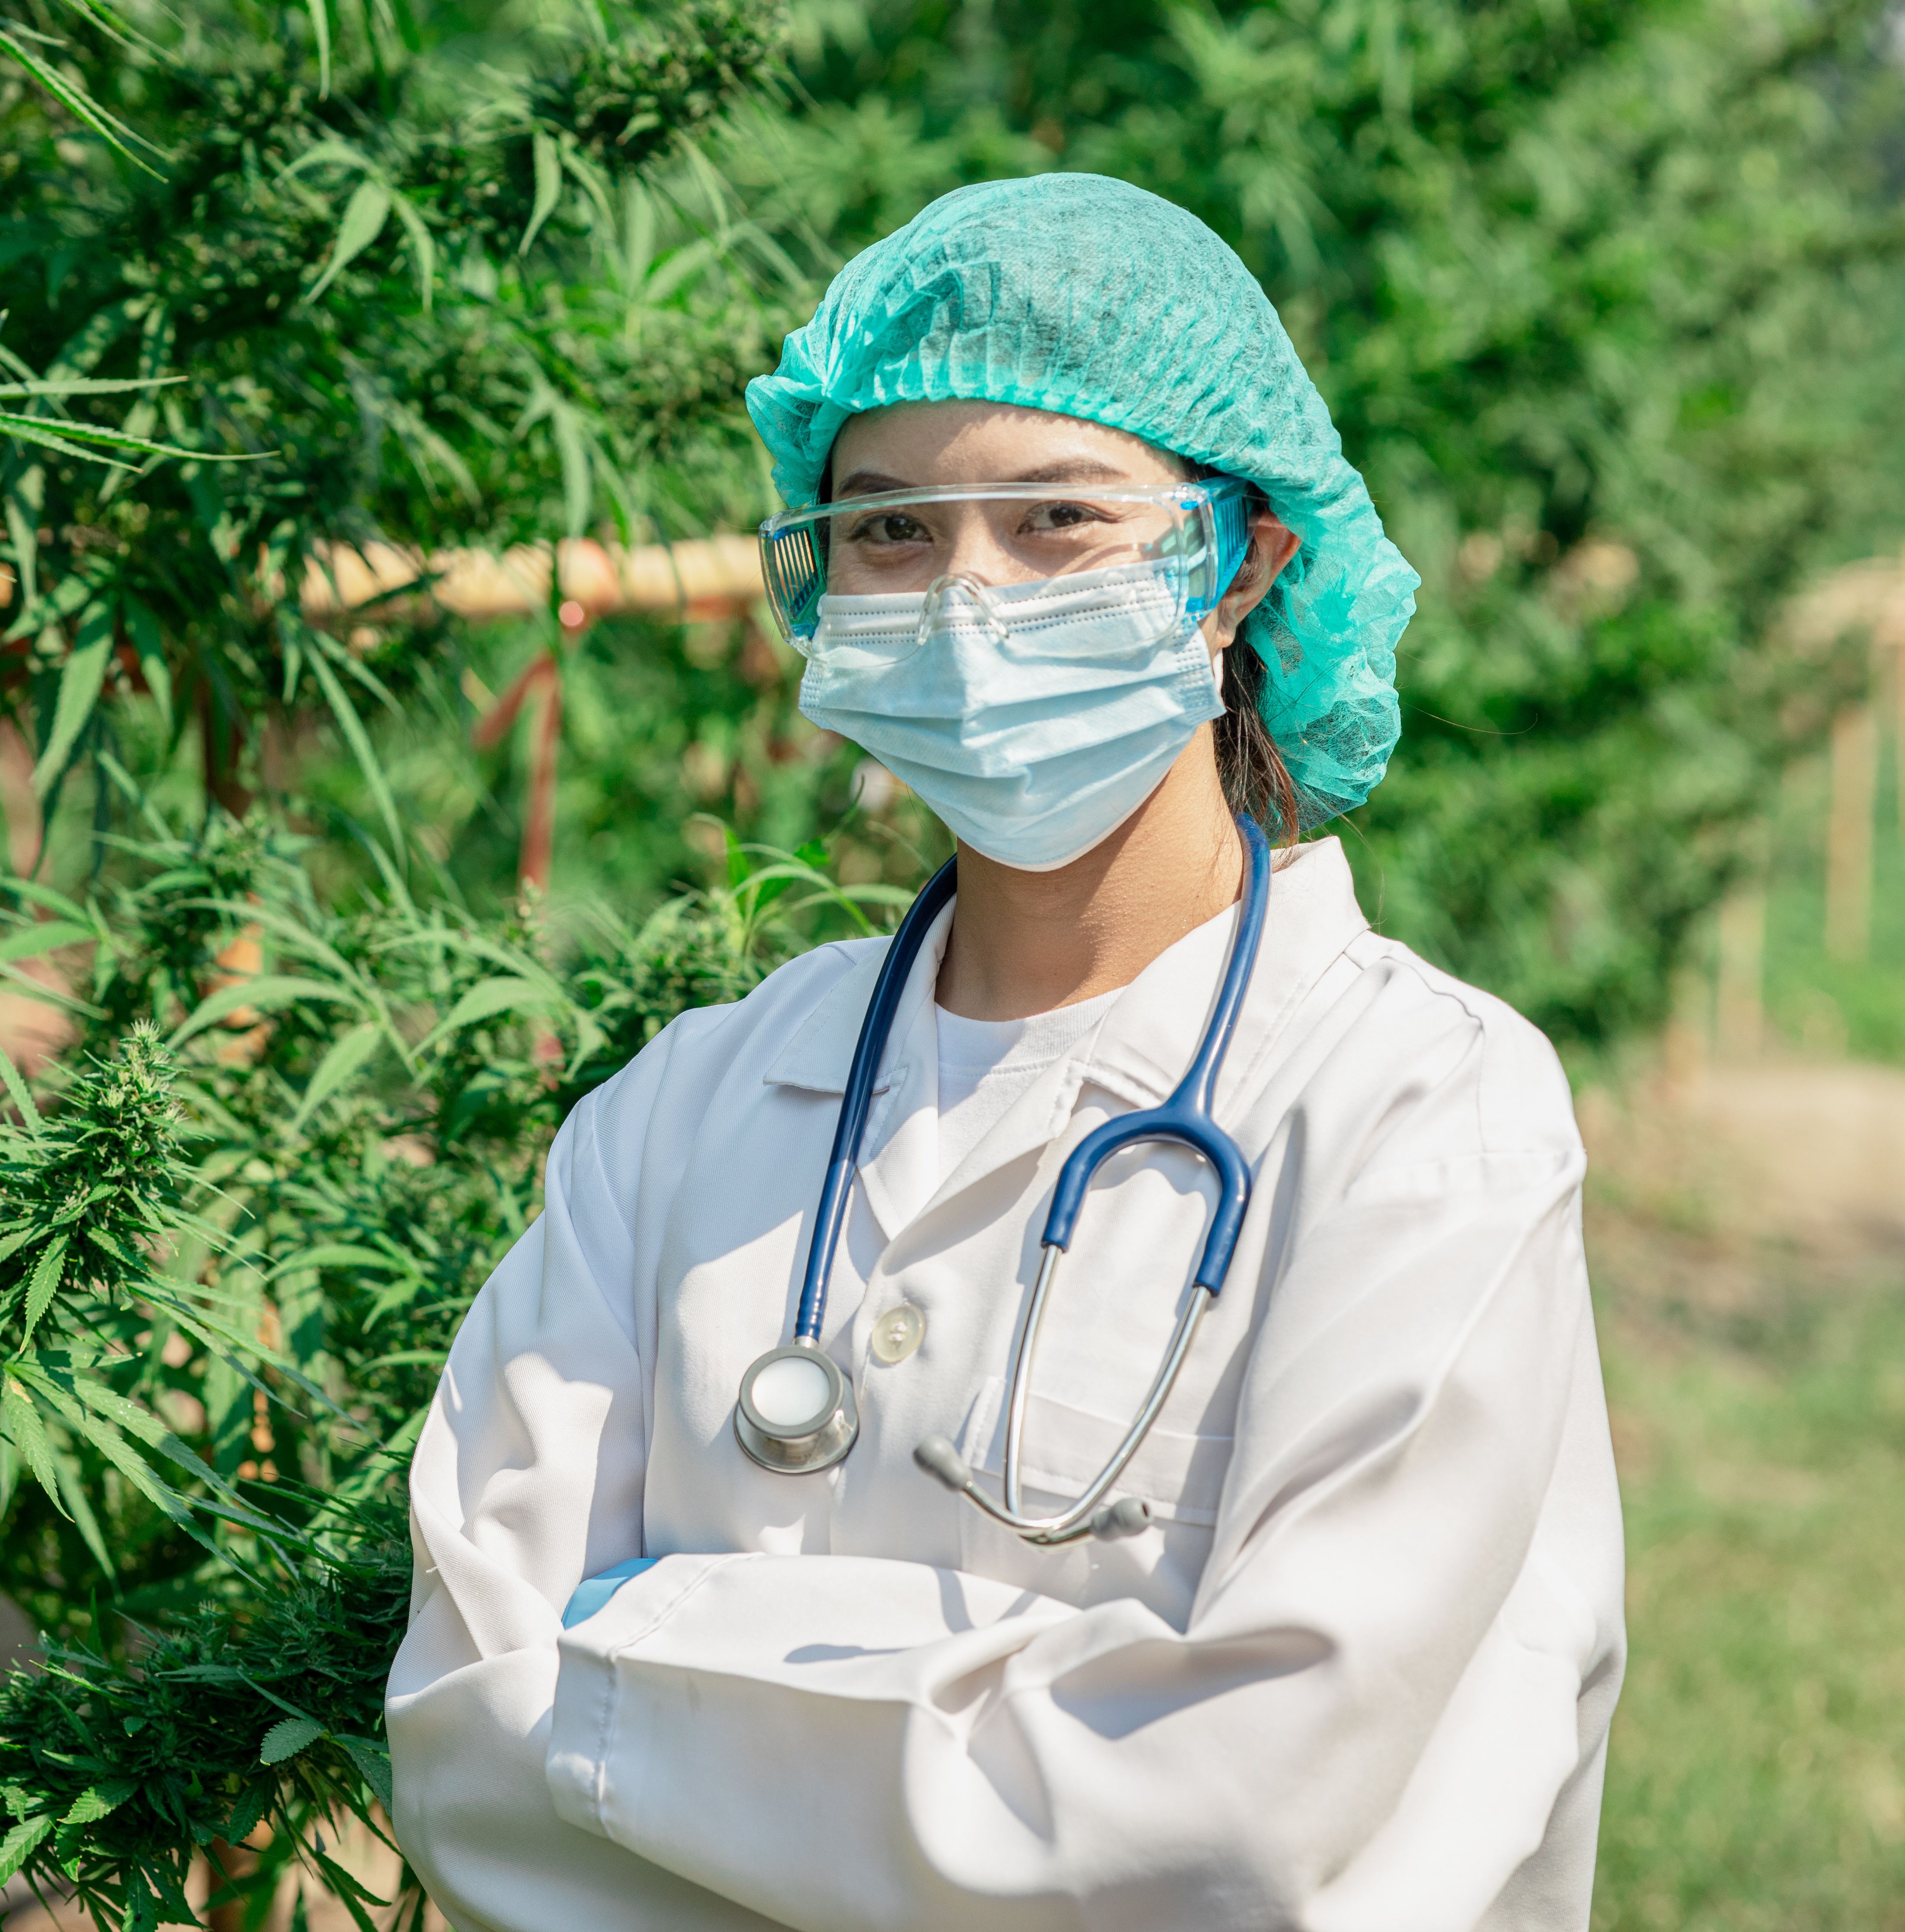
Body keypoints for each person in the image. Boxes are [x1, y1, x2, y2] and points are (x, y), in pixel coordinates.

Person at [385, 175, 1625, 1930]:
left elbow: (1256, 1826)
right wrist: (1056, 1710)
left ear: (1241, 558)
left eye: (1056, 517)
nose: (966, 598)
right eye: (889, 530)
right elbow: (465, 1727)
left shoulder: (1421, 1113)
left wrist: (655, 1663)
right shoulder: (682, 1112)